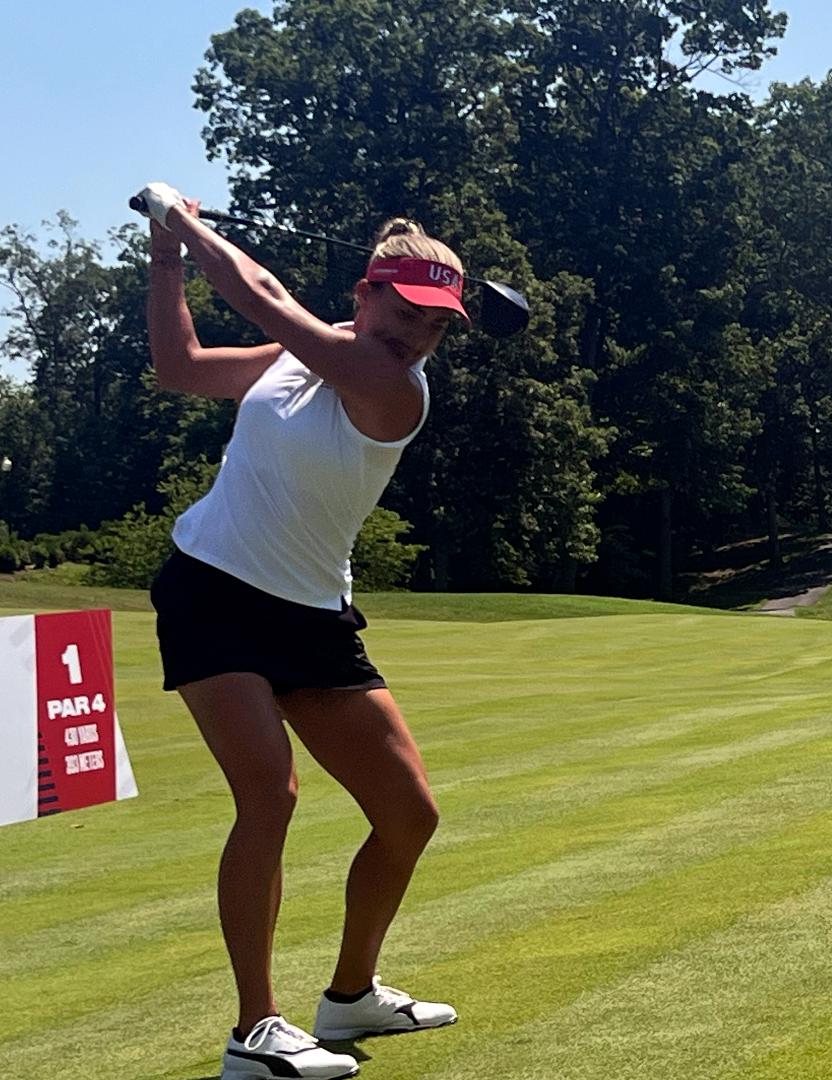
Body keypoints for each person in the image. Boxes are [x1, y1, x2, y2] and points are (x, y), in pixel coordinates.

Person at [137, 182, 461, 1080]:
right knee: (269, 797)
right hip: (213, 592)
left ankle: (351, 997)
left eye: (437, 325)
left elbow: (270, 300)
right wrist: (168, 259)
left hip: (313, 616)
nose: (420, 335)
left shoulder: (393, 387)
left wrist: (185, 225)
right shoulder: (294, 364)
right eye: (408, 312)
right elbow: (181, 366)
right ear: (366, 292)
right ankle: (256, 1031)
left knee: (408, 814)